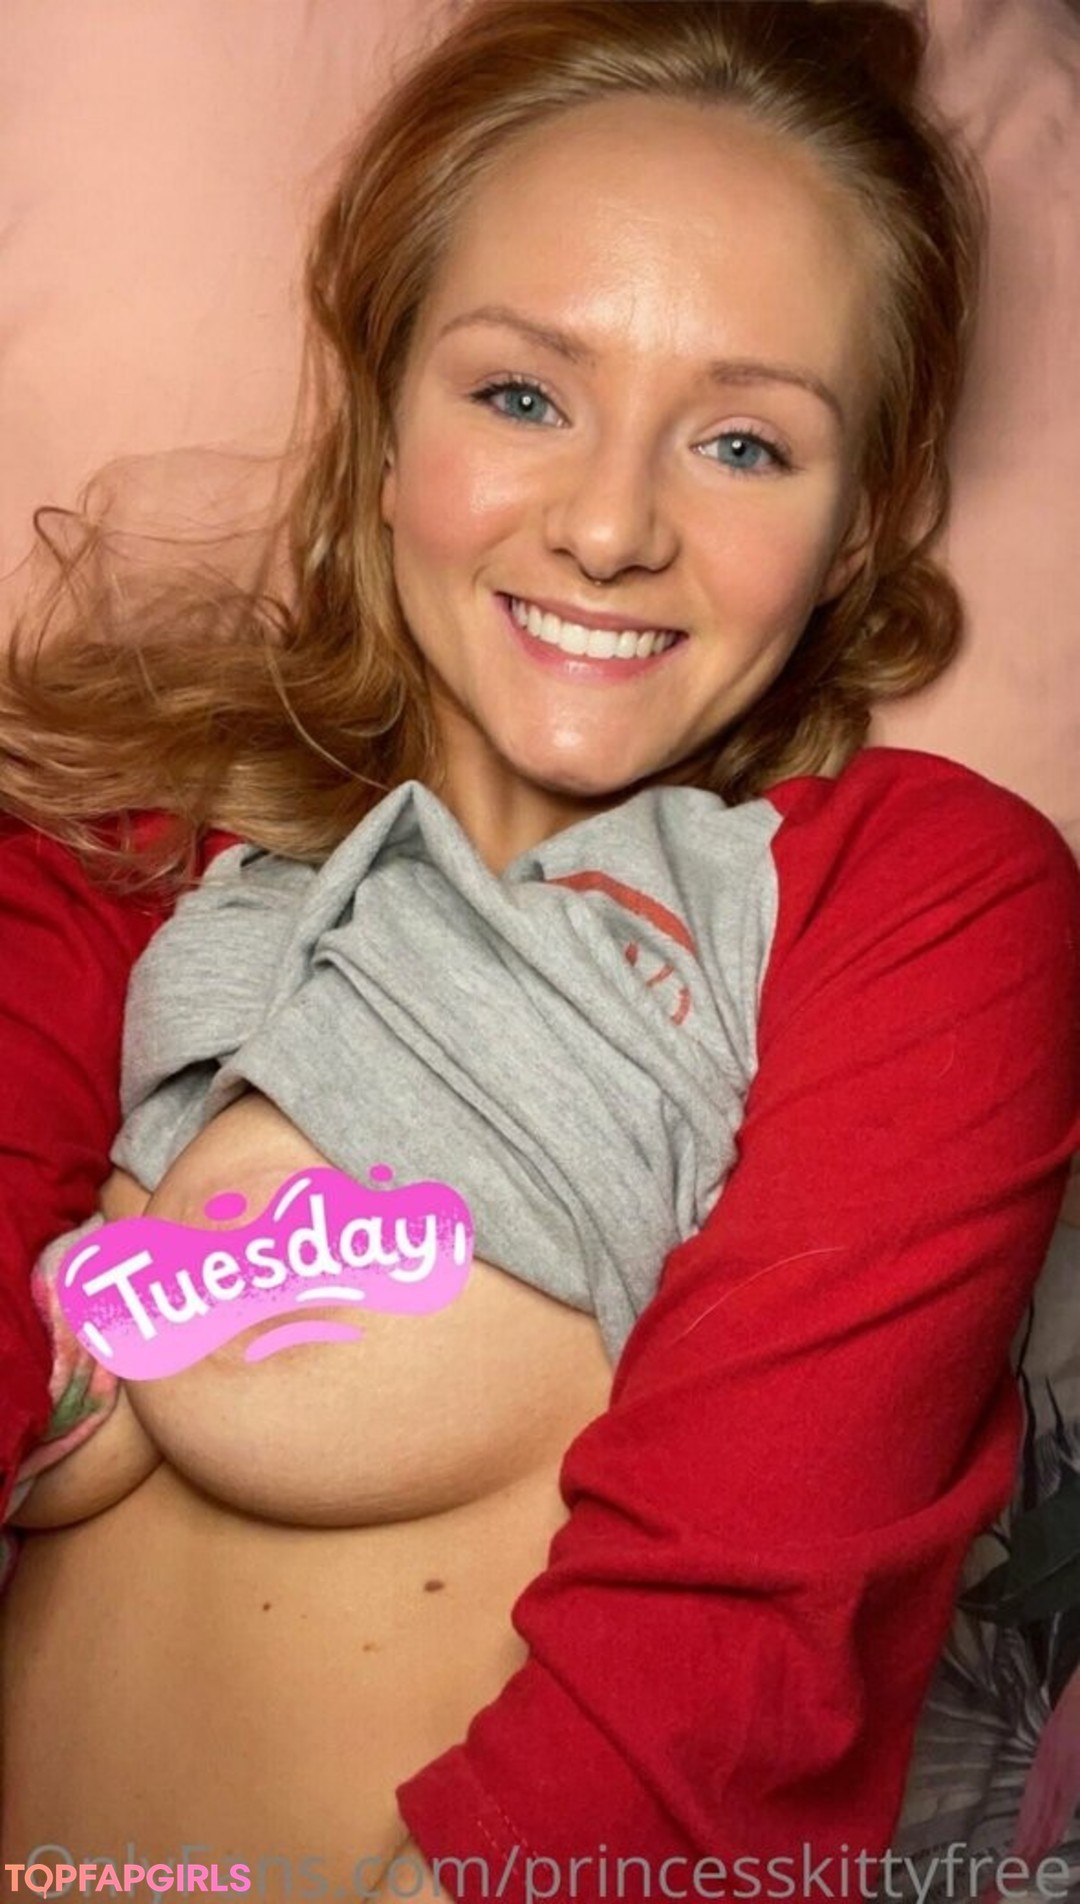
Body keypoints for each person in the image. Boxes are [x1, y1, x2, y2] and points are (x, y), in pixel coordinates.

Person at [1, 1, 1078, 1897]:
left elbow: (724, 1672)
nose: (606, 525)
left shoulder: (909, 898)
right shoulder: (126, 840)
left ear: (858, 529)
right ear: (384, 426)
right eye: (520, 398)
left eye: (742, 441)